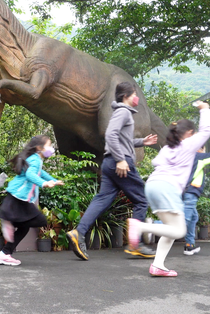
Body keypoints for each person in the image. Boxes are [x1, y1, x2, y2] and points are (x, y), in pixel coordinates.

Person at [68, 81, 158, 260]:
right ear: (125, 96)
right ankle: (135, 243)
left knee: (101, 200)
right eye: (134, 94)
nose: (136, 97)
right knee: (141, 200)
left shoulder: (122, 113)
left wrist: (141, 142)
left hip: (110, 163)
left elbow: (122, 140)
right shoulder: (123, 112)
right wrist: (121, 160)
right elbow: (110, 135)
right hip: (120, 164)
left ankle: (79, 232)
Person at [127, 101, 210, 277]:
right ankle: (142, 226)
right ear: (189, 134)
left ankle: (158, 265)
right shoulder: (187, 144)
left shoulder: (168, 148)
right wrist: (204, 109)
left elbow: (156, 162)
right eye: (193, 133)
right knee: (179, 230)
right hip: (167, 188)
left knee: (170, 229)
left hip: (153, 185)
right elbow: (207, 130)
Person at [0, 135, 63, 266]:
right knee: (40, 220)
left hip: (19, 196)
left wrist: (54, 180)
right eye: (49, 145)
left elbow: (40, 173)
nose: (51, 148)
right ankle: (10, 223)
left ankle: (4, 254)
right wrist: (44, 184)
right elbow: (30, 175)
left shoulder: (35, 159)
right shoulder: (35, 160)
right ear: (39, 148)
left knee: (25, 226)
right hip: (18, 196)